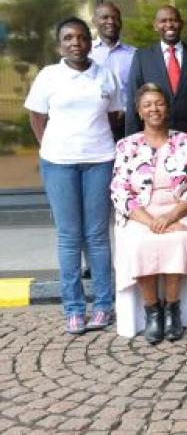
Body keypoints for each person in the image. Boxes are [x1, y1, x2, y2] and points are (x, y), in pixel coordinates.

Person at [24, 17, 122, 334]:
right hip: (59, 163)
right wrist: (49, 146)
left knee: (97, 236)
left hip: (100, 161)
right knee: (69, 237)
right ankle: (74, 309)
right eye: (68, 38)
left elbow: (115, 115)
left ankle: (103, 306)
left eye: (81, 37)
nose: (75, 43)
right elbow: (36, 116)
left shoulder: (105, 75)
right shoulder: (48, 76)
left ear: (89, 42)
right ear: (59, 45)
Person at [111, 83, 187, 344]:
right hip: (141, 215)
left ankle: (172, 309)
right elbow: (120, 192)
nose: (154, 109)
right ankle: (152, 311)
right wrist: (153, 222)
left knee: (179, 239)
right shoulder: (126, 146)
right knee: (139, 242)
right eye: (147, 105)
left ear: (167, 108)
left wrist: (170, 218)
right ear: (139, 111)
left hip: (180, 212)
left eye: (159, 103)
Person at [125, 5, 187, 148]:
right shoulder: (142, 57)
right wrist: (131, 142)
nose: (169, 25)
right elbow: (134, 99)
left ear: (181, 24)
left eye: (173, 20)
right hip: (153, 139)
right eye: (163, 21)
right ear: (155, 26)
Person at [90, 1, 135, 142]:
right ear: (94, 21)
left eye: (115, 18)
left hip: (128, 123)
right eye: (105, 17)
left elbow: (140, 88)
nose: (110, 21)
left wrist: (126, 109)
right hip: (95, 123)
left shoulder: (134, 54)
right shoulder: (86, 53)